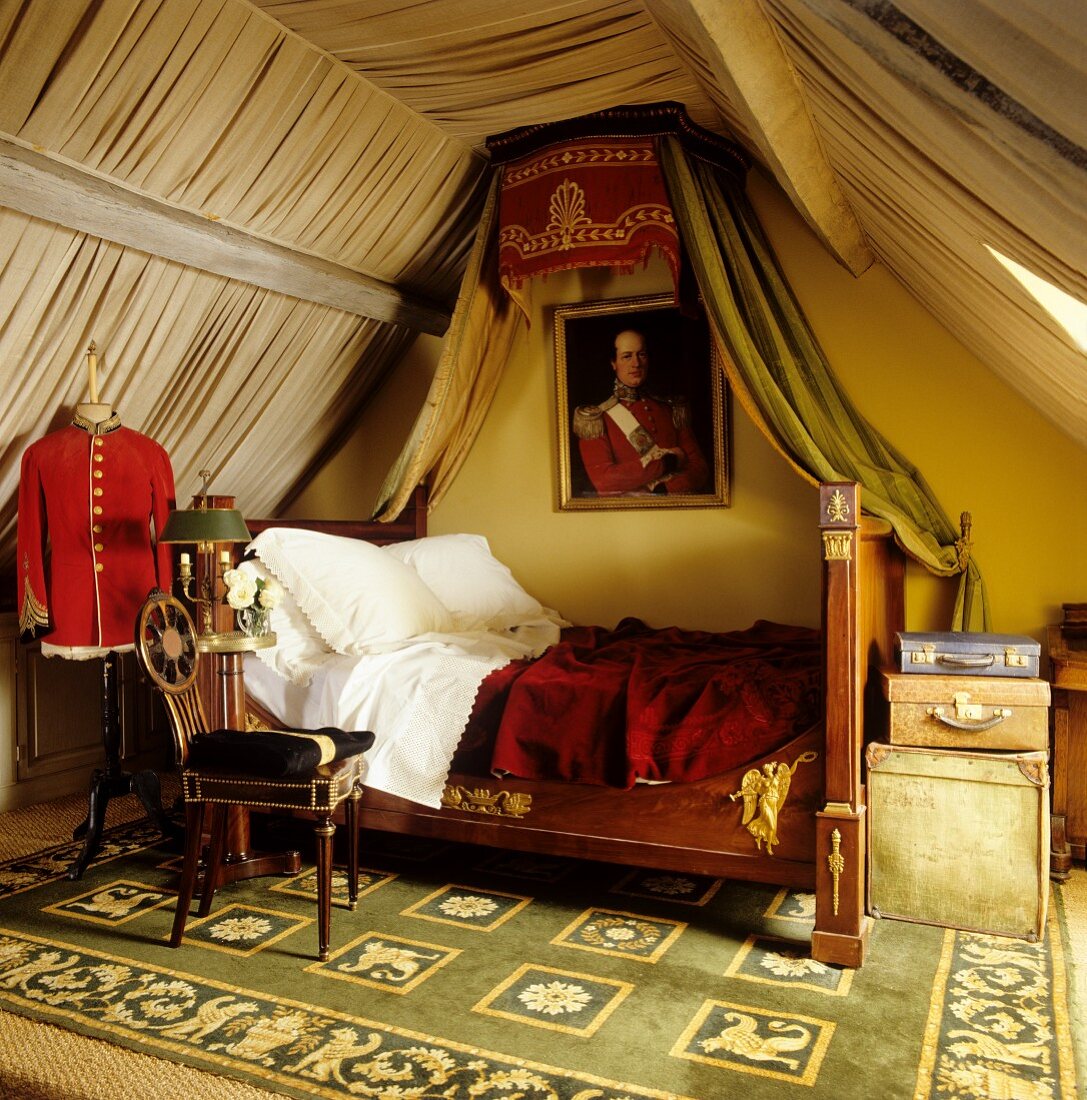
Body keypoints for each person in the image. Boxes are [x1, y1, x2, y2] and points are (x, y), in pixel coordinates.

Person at [572, 328, 709, 495]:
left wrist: (666, 489)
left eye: (641, 355)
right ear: (613, 363)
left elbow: (699, 468)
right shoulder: (595, 420)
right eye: (627, 356)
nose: (636, 363)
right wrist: (664, 465)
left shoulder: (670, 409)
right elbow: (604, 480)